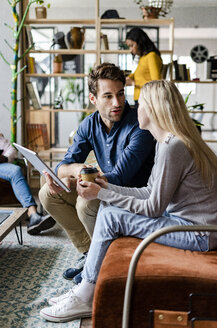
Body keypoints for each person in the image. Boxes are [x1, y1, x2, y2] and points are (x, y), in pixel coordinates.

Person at [40, 80, 217, 322]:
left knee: (111, 214)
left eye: (140, 103)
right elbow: (149, 192)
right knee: (108, 209)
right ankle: (86, 288)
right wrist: (106, 187)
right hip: (191, 226)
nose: (136, 109)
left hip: (197, 233)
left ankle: (85, 293)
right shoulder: (169, 142)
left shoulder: (173, 147)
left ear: (154, 109)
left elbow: (154, 208)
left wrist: (102, 194)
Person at [39, 62, 155, 283]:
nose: (117, 102)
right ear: (93, 99)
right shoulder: (89, 124)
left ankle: (100, 264)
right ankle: (90, 254)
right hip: (105, 187)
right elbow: (62, 165)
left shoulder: (139, 124)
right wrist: (74, 171)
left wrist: (82, 182)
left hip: (134, 195)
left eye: (120, 94)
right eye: (108, 96)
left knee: (86, 202)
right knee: (47, 193)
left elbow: (120, 176)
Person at [0, 133, 56, 235]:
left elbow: (11, 150)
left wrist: (4, 158)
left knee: (16, 170)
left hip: (2, 165)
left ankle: (33, 215)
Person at [125, 27, 163, 108]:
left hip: (147, 100)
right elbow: (136, 74)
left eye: (132, 45)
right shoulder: (143, 58)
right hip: (140, 99)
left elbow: (156, 83)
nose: (130, 50)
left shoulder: (151, 56)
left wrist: (134, 83)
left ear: (140, 42)